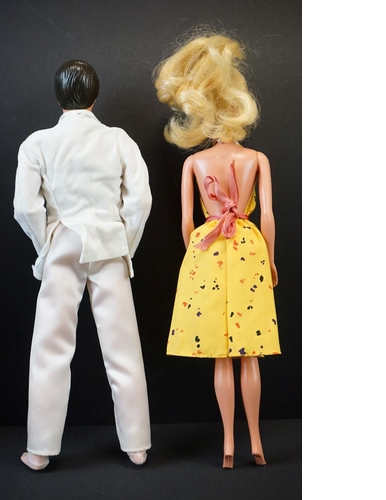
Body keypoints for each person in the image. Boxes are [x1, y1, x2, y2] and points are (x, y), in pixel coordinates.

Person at [14, 60, 152, 470]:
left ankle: (39, 449)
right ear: (95, 96)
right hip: (108, 241)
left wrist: (46, 243)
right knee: (123, 345)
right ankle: (137, 445)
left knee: (50, 346)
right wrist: (125, 243)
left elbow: (26, 207)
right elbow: (140, 201)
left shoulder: (37, 143)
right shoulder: (118, 140)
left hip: (63, 241)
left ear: (58, 96)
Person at [153, 30, 281, 468]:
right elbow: (268, 218)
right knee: (251, 350)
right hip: (248, 246)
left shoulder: (195, 162)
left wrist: (195, 256)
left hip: (208, 248)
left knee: (222, 355)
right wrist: (270, 259)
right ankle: (256, 441)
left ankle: (228, 442)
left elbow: (187, 222)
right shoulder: (256, 159)